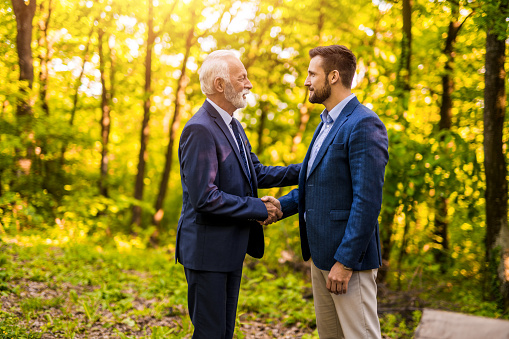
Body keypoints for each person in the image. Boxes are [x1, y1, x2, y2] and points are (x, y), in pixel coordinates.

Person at [175, 50, 301, 339]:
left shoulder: (232, 124)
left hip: (229, 250)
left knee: (224, 333)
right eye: (242, 77)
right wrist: (258, 208)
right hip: (208, 253)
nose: (249, 83)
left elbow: (255, 173)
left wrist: (307, 169)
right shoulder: (200, 129)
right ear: (221, 84)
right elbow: (205, 198)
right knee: (210, 333)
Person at [267, 45, 389, 338]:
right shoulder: (325, 123)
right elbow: (317, 184)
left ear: (333, 76)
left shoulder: (364, 123)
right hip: (321, 258)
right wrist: (281, 205)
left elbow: (367, 201)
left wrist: (345, 262)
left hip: (347, 264)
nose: (306, 81)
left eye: (312, 73)